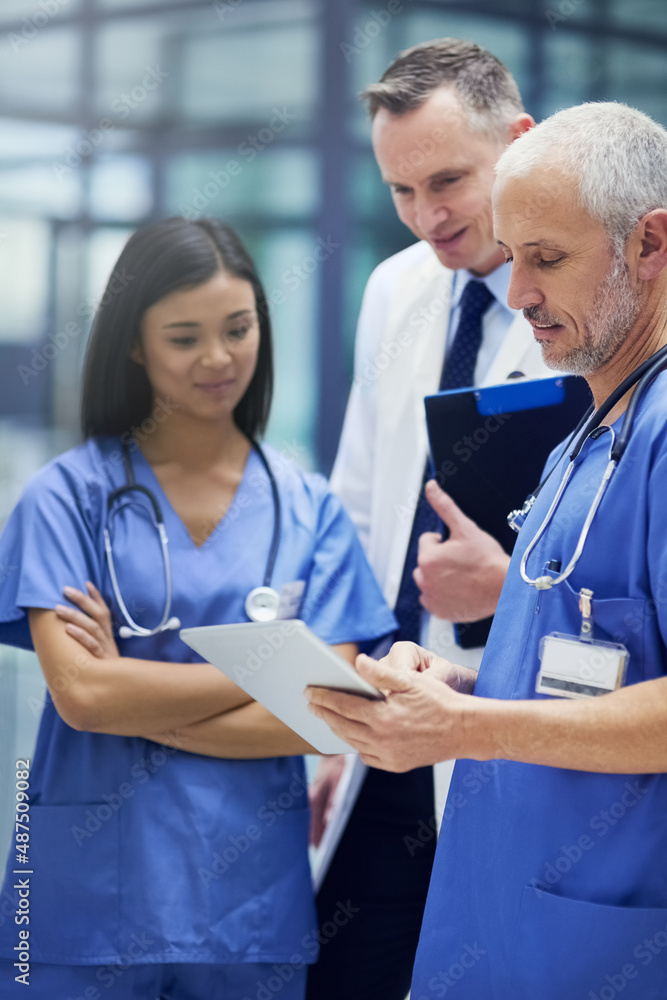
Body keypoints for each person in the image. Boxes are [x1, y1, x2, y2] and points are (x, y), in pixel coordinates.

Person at [308, 101, 667, 998]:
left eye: (545, 260)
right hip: (503, 916)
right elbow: (594, 666)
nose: (517, 296)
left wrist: (467, 726)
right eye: (513, 260)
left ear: (652, 246)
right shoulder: (583, 436)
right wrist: (463, 687)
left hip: (599, 940)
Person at [0, 217, 396, 1000]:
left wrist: (128, 694)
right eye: (184, 337)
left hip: (245, 912)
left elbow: (326, 718)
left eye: (238, 328)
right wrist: (271, 663)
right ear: (134, 344)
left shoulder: (308, 510)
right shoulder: (64, 500)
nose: (218, 359)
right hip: (82, 903)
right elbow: (82, 695)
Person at [307, 38, 554, 1000]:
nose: (426, 217)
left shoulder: (600, 308)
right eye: (401, 191)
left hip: (501, 722)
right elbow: (357, 505)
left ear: (521, 143)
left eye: (447, 180)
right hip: (385, 723)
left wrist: (506, 592)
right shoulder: (395, 289)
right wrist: (329, 731)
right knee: (344, 969)